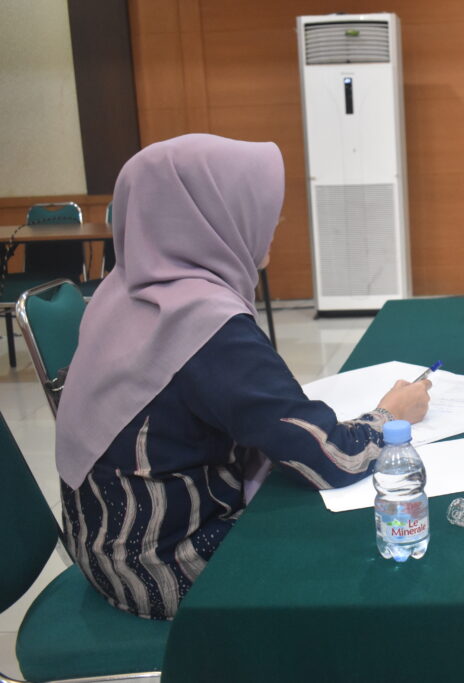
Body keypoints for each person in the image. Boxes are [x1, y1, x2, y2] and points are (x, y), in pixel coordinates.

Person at [54, 134, 431, 619]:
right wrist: (389, 416)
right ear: (206, 215)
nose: (273, 222)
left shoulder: (121, 291)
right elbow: (329, 458)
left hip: (105, 547)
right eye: (255, 206)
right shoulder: (202, 322)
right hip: (164, 569)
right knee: (365, 552)